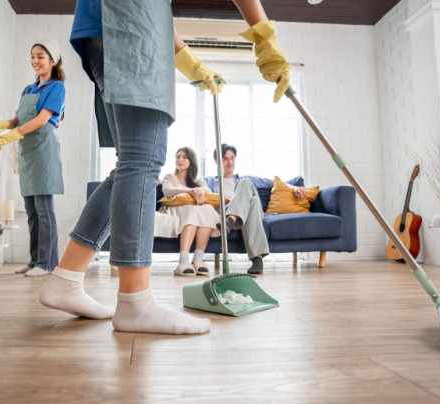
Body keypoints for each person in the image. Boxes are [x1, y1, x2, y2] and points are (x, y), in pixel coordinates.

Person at [36, 0, 292, 335]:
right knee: (141, 161)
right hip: (130, 24)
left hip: (106, 24)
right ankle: (134, 303)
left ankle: (66, 279)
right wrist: (263, 36)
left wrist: (190, 61)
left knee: (130, 163)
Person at [0, 41, 66, 277]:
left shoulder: (57, 87)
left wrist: (12, 134)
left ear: (53, 61)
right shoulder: (28, 89)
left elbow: (42, 120)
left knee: (44, 209)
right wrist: (3, 125)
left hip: (43, 149)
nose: (35, 61)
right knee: (31, 211)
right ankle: (34, 261)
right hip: (28, 151)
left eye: (40, 56)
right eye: (32, 56)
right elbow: (17, 120)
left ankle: (48, 263)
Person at [206, 144, 307, 274]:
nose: (229, 162)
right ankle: (257, 260)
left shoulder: (244, 179)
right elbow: (196, 188)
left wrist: (295, 188)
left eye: (232, 158)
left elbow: (274, 182)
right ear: (217, 161)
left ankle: (230, 221)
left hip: (233, 218)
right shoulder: (209, 181)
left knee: (245, 182)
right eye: (225, 158)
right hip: (230, 211)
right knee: (252, 201)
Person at [155, 148, 220, 276]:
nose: (180, 160)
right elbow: (167, 190)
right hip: (176, 208)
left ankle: (198, 259)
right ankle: (183, 260)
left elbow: (205, 190)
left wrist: (197, 191)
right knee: (193, 210)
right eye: (178, 156)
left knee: (206, 209)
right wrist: (190, 191)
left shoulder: (199, 181)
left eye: (184, 157)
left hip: (195, 209)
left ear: (191, 161)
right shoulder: (170, 177)